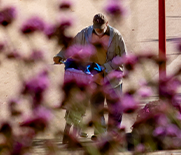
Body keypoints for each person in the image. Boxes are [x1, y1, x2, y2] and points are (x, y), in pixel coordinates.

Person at [54, 12, 127, 142]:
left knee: (114, 108)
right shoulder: (86, 33)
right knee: (96, 106)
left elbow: (122, 57)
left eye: (101, 28)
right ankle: (100, 134)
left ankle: (113, 135)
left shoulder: (116, 36)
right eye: (96, 28)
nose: (98, 31)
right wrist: (60, 55)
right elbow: (72, 45)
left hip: (112, 77)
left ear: (107, 24)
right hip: (94, 76)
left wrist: (105, 67)